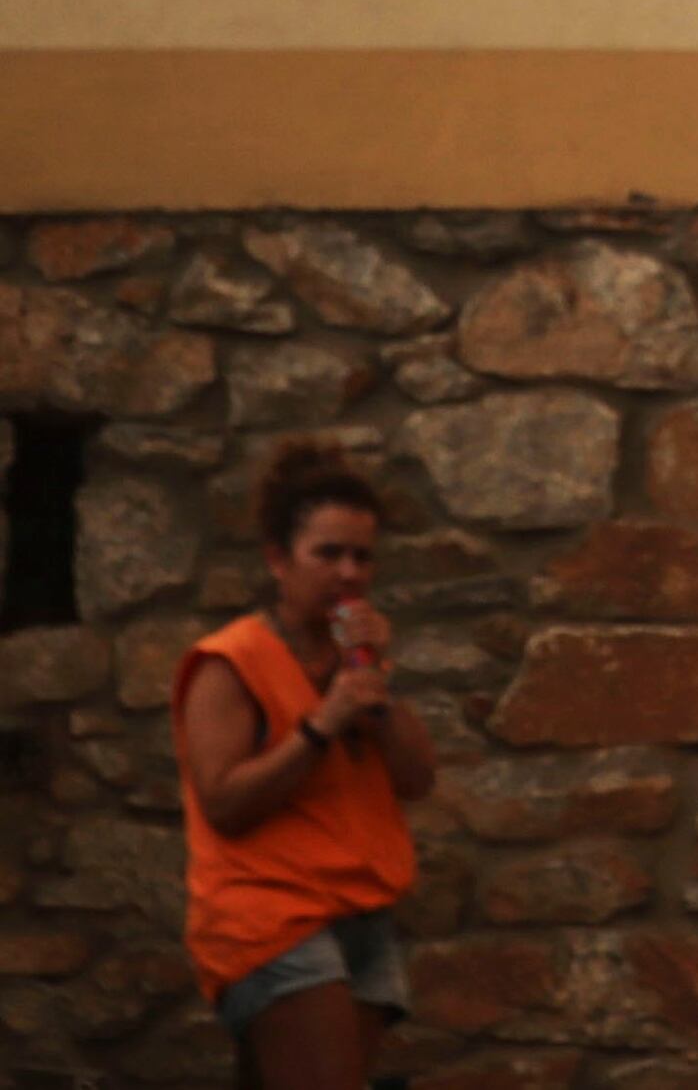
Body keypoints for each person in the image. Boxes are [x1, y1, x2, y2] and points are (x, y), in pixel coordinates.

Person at [177, 445, 434, 1086]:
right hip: (272, 918)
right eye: (328, 554)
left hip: (361, 911)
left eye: (363, 556)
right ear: (278, 559)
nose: (349, 573)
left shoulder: (359, 663)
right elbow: (225, 803)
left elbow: (417, 779)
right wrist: (321, 724)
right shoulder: (228, 662)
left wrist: (370, 684)